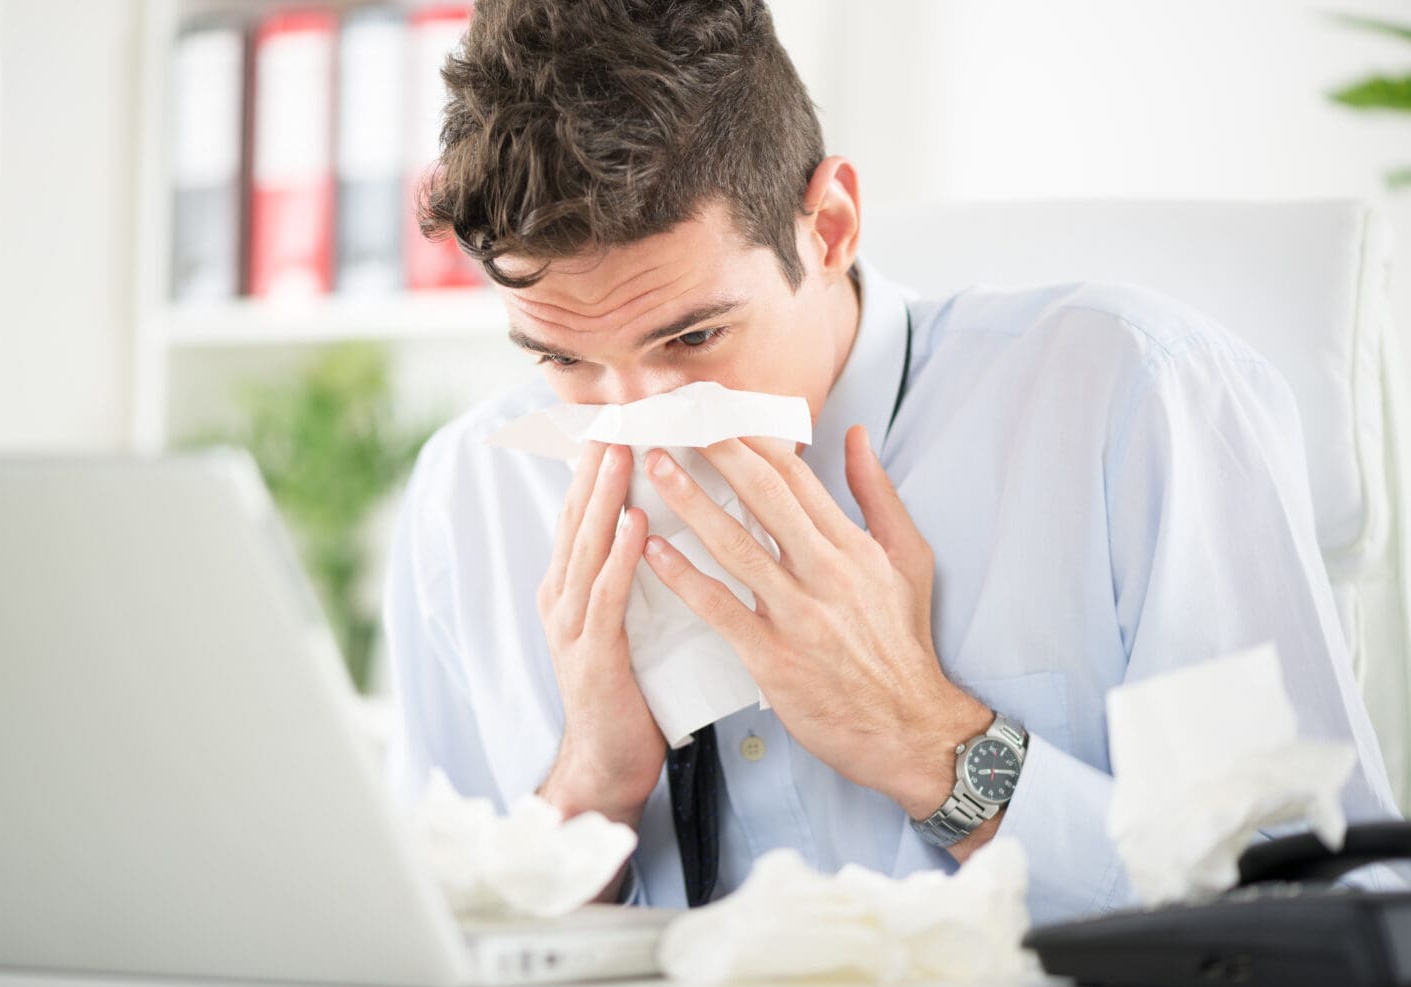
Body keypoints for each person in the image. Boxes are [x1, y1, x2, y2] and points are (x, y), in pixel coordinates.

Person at [385, 0, 1399, 922]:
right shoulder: (472, 494)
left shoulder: (1131, 403)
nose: (641, 421)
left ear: (827, 226)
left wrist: (935, 745)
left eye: (691, 341)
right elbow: (418, 957)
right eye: (564, 357)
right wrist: (587, 790)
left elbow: (1337, 910)